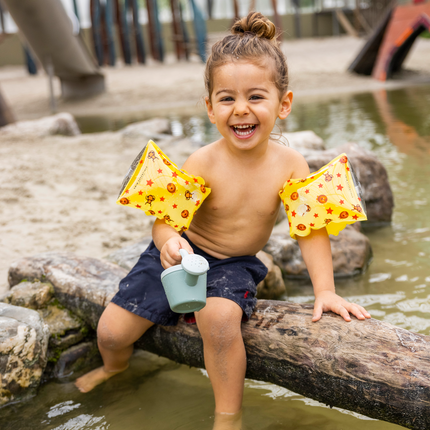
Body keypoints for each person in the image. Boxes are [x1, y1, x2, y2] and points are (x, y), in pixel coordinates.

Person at [75, 11, 371, 429]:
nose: (241, 110)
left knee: (218, 321)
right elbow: (164, 221)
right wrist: (167, 244)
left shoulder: (291, 164)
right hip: (180, 256)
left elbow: (310, 229)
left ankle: (227, 416)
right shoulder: (203, 161)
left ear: (283, 103)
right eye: (227, 98)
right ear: (210, 108)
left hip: (232, 264)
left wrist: (326, 291)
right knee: (110, 332)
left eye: (256, 96)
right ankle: (115, 369)